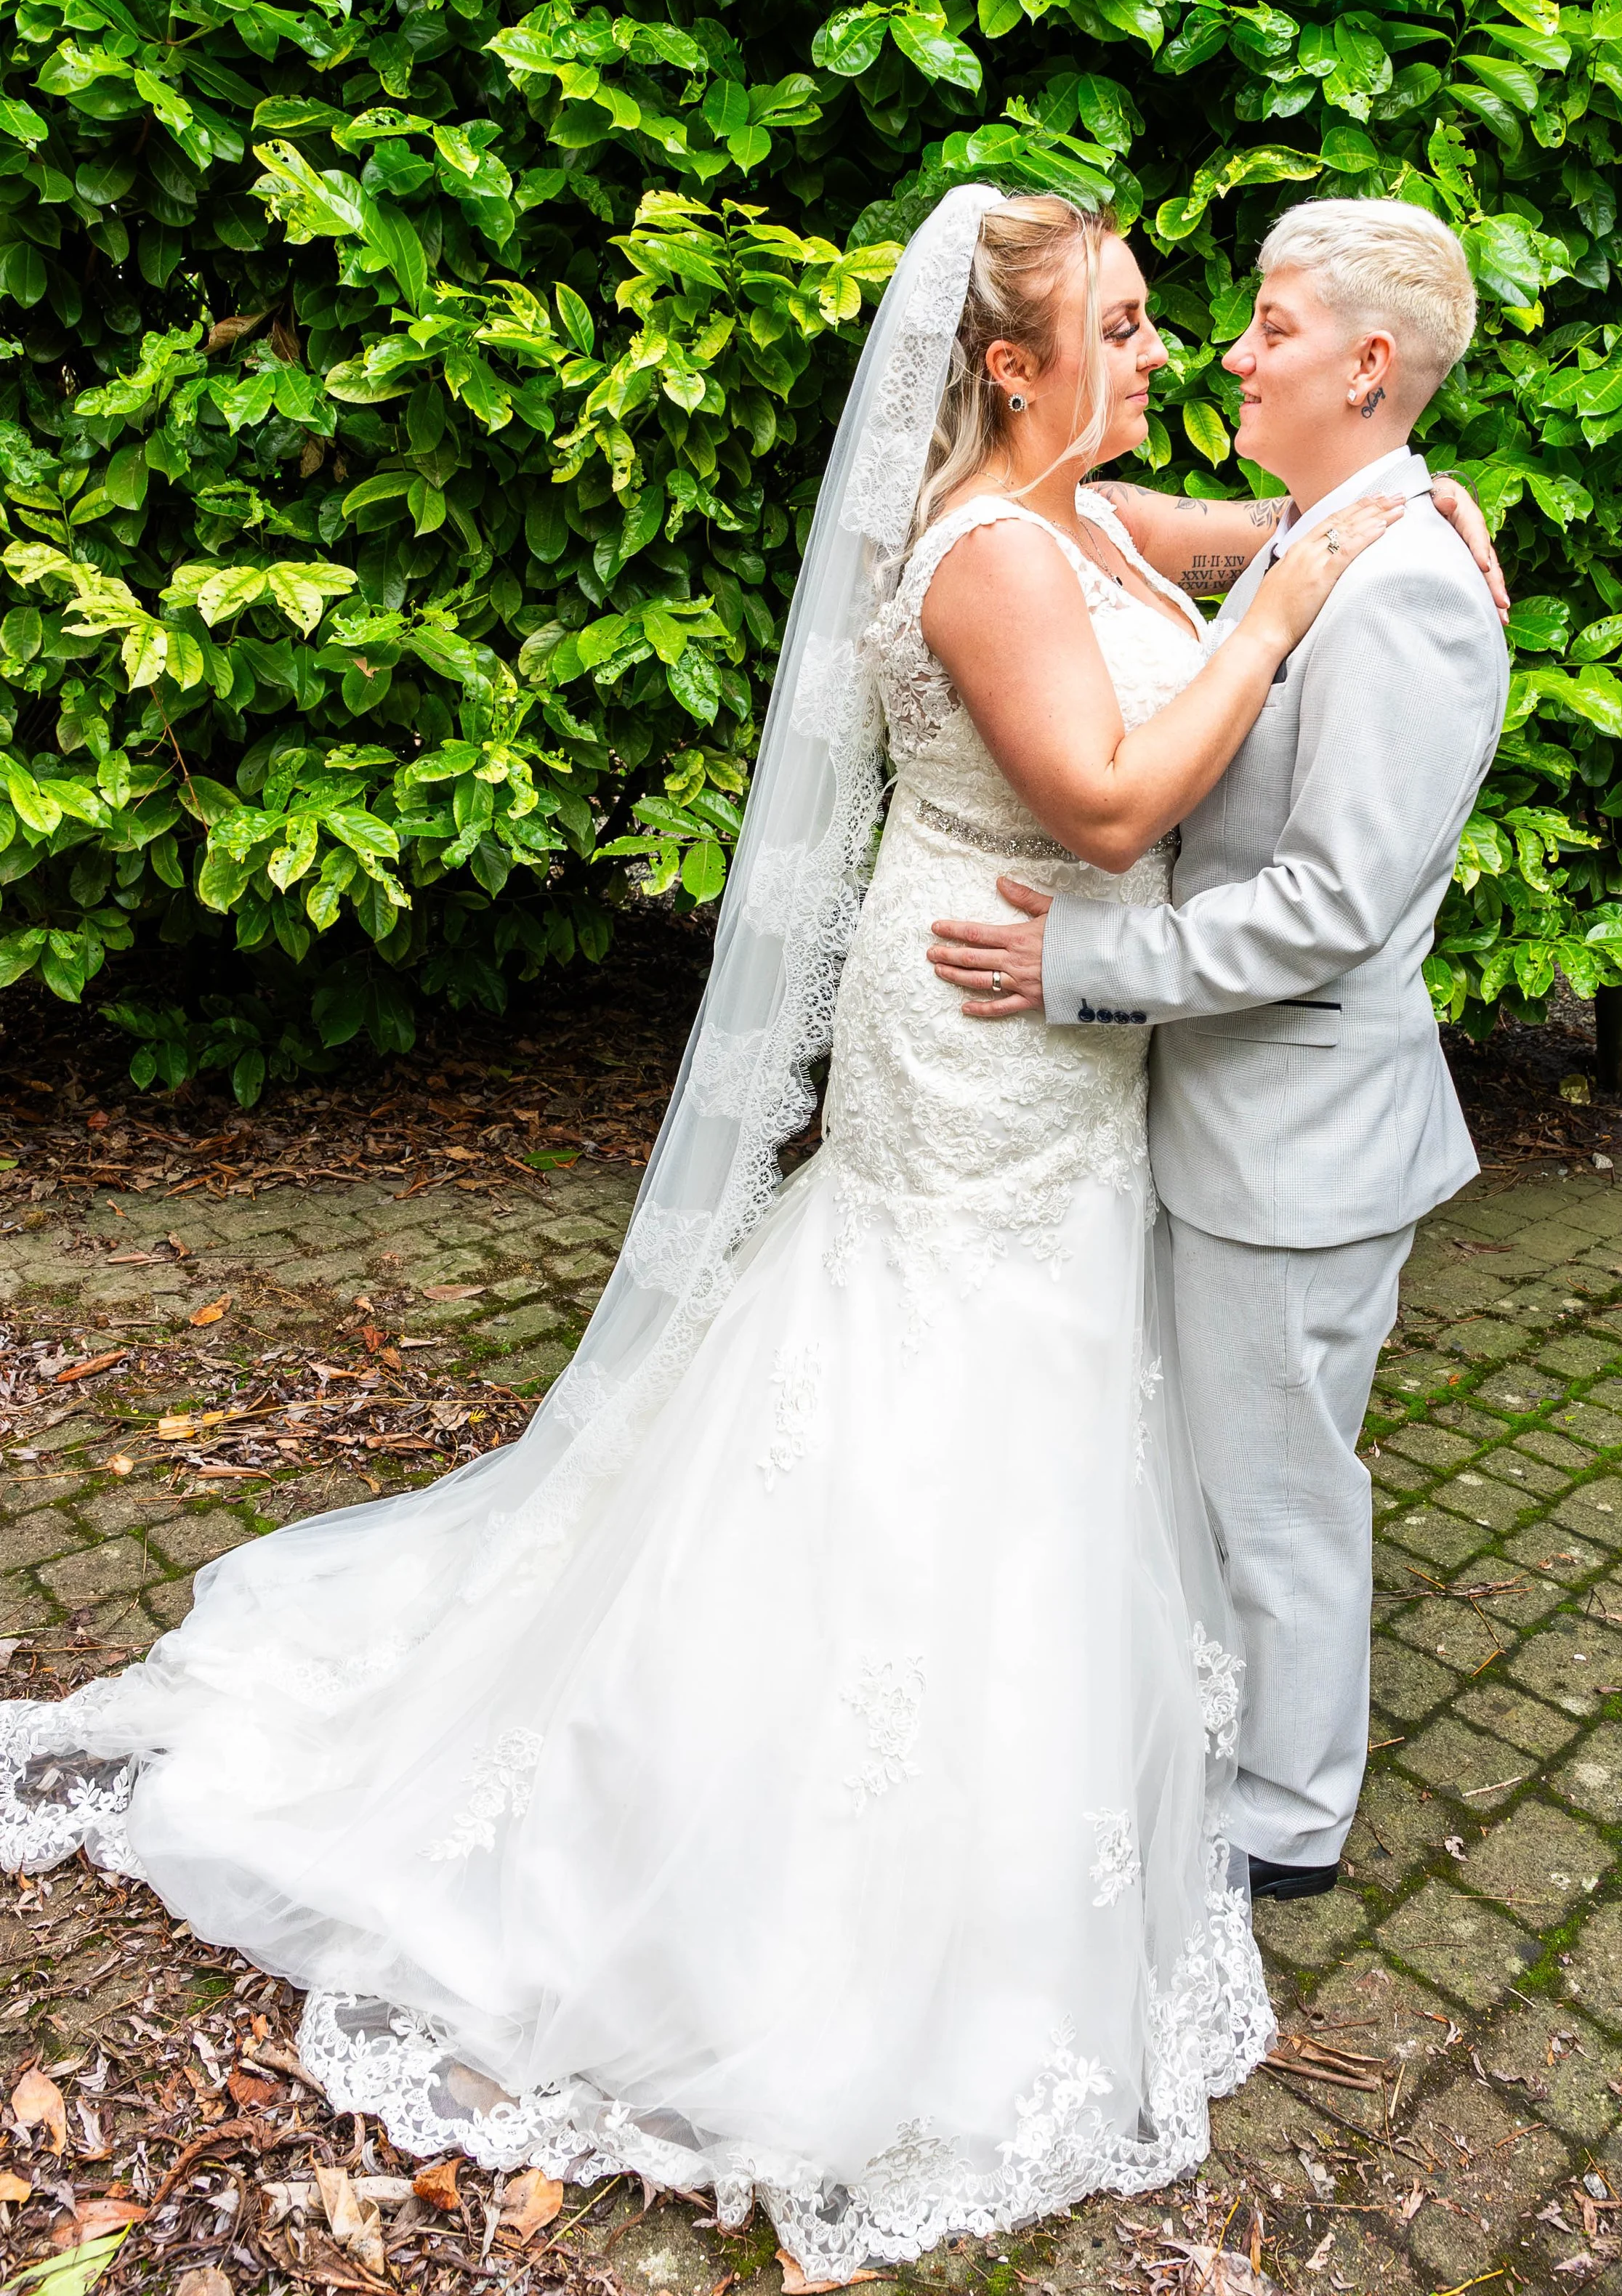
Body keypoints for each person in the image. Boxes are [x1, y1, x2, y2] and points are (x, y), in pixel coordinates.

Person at [0, 188, 1501, 2284]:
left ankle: (1084, 1755)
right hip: (991, 996)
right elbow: (1099, 803)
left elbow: (1237, 539)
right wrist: (1284, 601)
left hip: (1058, 1031)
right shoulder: (984, 546)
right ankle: (821, 1821)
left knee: (1054, 1371)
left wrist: (1381, 518)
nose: (1166, 355)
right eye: (1133, 324)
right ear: (1006, 364)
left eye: (1190, 319)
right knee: (925, 1358)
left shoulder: (1083, 506)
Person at [927, 196, 1511, 1905]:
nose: (1228, 352)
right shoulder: (1323, 527)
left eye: (1266, 324)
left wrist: (1084, 964)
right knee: (1229, 1461)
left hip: (1298, 1134)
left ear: (1368, 363)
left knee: (1277, 1486)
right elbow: (1148, 530)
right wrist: (1394, 480)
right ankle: (1229, 1732)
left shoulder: (1402, 593)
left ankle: (1286, 1811)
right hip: (1230, 1113)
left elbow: (1326, 907)